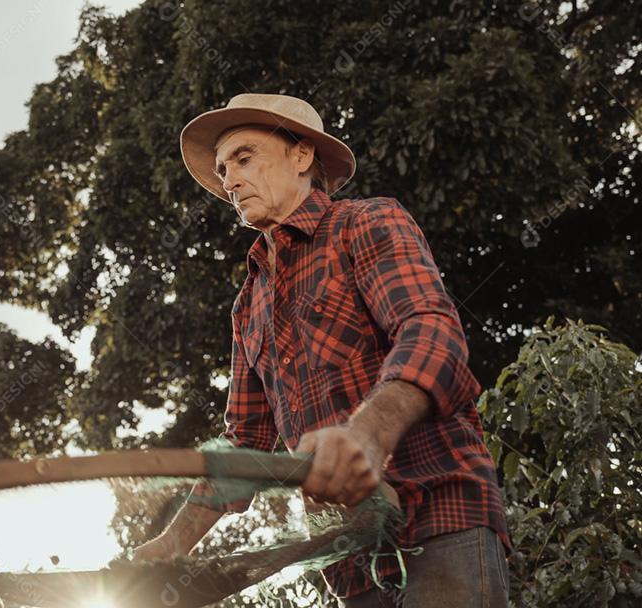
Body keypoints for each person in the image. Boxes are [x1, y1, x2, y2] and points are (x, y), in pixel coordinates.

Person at [132, 94, 510, 607]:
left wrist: (368, 435)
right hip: (347, 558)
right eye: (222, 170)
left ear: (302, 155)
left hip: (439, 518)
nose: (228, 180)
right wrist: (169, 543)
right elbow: (245, 441)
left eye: (244, 157)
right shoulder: (248, 304)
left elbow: (431, 330)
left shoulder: (366, 223)